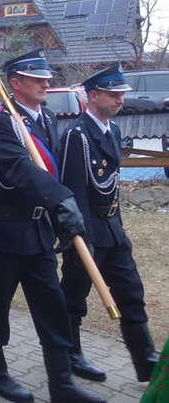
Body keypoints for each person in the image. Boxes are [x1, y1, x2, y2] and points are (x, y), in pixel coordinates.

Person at [0, 49, 105, 403]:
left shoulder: (46, 119)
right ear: (15, 84)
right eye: (37, 78)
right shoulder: (1, 120)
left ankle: (61, 382)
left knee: (52, 306)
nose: (46, 82)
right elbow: (15, 170)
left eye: (47, 77)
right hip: (4, 232)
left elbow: (51, 171)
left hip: (39, 233)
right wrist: (59, 200)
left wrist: (61, 213)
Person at [59, 63, 159, 382]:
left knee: (131, 290)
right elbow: (73, 191)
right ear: (93, 96)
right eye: (113, 94)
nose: (119, 100)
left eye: (120, 95)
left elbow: (111, 184)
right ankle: (70, 354)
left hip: (113, 230)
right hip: (87, 231)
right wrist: (79, 239)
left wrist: (118, 225)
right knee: (74, 297)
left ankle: (145, 360)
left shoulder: (112, 131)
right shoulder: (77, 136)